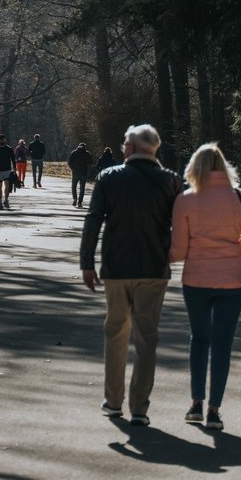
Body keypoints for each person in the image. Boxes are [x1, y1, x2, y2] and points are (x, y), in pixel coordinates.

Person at [79, 124, 182, 427]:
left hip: (117, 267)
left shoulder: (110, 178)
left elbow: (94, 219)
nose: (122, 148)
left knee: (116, 334)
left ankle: (113, 401)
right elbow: (183, 221)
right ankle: (140, 408)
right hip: (154, 268)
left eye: (125, 144)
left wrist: (86, 262)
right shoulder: (171, 182)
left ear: (134, 148)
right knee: (147, 338)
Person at [170, 143, 241, 431]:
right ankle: (214, 411)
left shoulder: (185, 200)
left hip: (196, 280)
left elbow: (178, 251)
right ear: (223, 166)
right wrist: (236, 253)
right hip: (232, 281)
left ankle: (195, 404)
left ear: (194, 167)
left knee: (199, 339)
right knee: (222, 345)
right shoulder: (239, 197)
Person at [0, 133, 16, 209]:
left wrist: (14, 168)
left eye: (3, 139)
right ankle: (0, 202)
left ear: (5, 140)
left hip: (7, 170)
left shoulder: (9, 149)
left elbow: (13, 159)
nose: (2, 140)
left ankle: (6, 200)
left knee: (7, 186)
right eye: (0, 139)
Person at [67, 143, 94, 208]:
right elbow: (90, 162)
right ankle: (80, 202)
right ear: (85, 147)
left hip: (75, 172)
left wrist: (73, 168)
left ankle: (75, 198)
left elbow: (69, 162)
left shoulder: (74, 153)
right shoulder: (87, 153)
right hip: (83, 173)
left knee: (74, 186)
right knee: (82, 188)